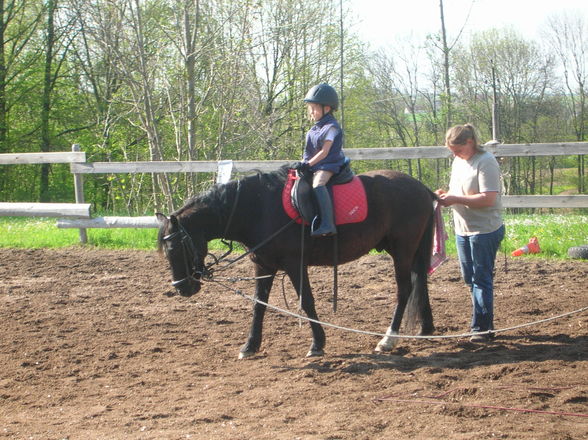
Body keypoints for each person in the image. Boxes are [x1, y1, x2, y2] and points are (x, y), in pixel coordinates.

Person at [435, 123, 505, 342]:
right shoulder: (459, 161)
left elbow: (488, 198)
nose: (455, 154)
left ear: (470, 142)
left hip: (484, 229)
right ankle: (480, 323)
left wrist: (455, 199)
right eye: (452, 151)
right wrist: (447, 194)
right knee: (470, 278)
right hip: (462, 228)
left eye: (458, 149)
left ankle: (482, 328)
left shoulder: (486, 162)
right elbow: (459, 191)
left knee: (481, 278)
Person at [295, 83, 347, 237]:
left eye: (314, 107)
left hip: (329, 164)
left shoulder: (331, 127)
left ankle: (328, 224)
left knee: (318, 184)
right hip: (315, 164)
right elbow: (309, 151)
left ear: (327, 108)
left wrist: (308, 164)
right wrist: (302, 163)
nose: (311, 111)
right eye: (310, 107)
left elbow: (324, 152)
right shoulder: (315, 128)